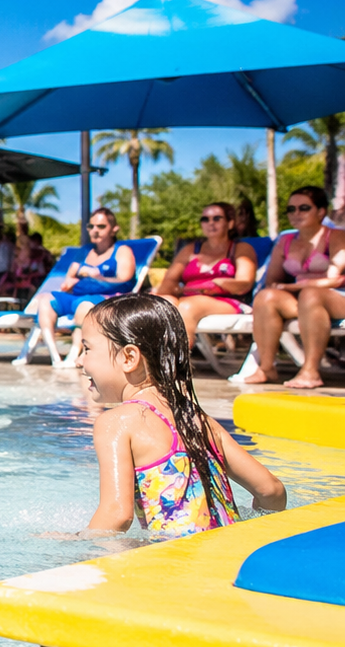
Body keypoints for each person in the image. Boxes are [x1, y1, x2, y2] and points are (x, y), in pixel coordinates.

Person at [61, 294, 285, 538]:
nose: (80, 360)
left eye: (87, 349)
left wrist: (73, 543)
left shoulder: (115, 422)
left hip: (175, 559)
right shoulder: (198, 418)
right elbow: (272, 491)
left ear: (129, 358)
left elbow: (116, 515)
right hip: (228, 550)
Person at [244, 186, 345, 388]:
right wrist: (289, 288)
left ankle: (311, 370)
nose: (296, 214)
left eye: (304, 208)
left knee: (310, 295)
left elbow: (335, 280)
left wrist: (295, 286)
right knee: (266, 297)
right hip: (304, 300)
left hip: (336, 298)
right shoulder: (286, 241)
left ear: (321, 211)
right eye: (291, 209)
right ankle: (266, 367)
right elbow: (272, 280)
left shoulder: (335, 237)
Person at [27, 207, 135, 368]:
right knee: (45, 300)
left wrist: (96, 275)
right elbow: (69, 279)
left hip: (106, 297)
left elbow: (124, 279)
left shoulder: (122, 251)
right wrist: (69, 282)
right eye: (91, 227)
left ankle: (74, 354)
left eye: (101, 226)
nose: (95, 231)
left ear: (114, 229)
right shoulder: (85, 251)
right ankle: (55, 357)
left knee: (84, 306)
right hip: (77, 296)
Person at [153, 201, 258, 347]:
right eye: (205, 219)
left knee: (187, 307)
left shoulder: (240, 249)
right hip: (187, 298)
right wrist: (172, 292)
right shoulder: (191, 250)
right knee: (162, 305)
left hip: (226, 301)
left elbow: (244, 283)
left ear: (230, 223)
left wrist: (221, 283)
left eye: (217, 218)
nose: (210, 223)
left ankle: (175, 366)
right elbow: (169, 281)